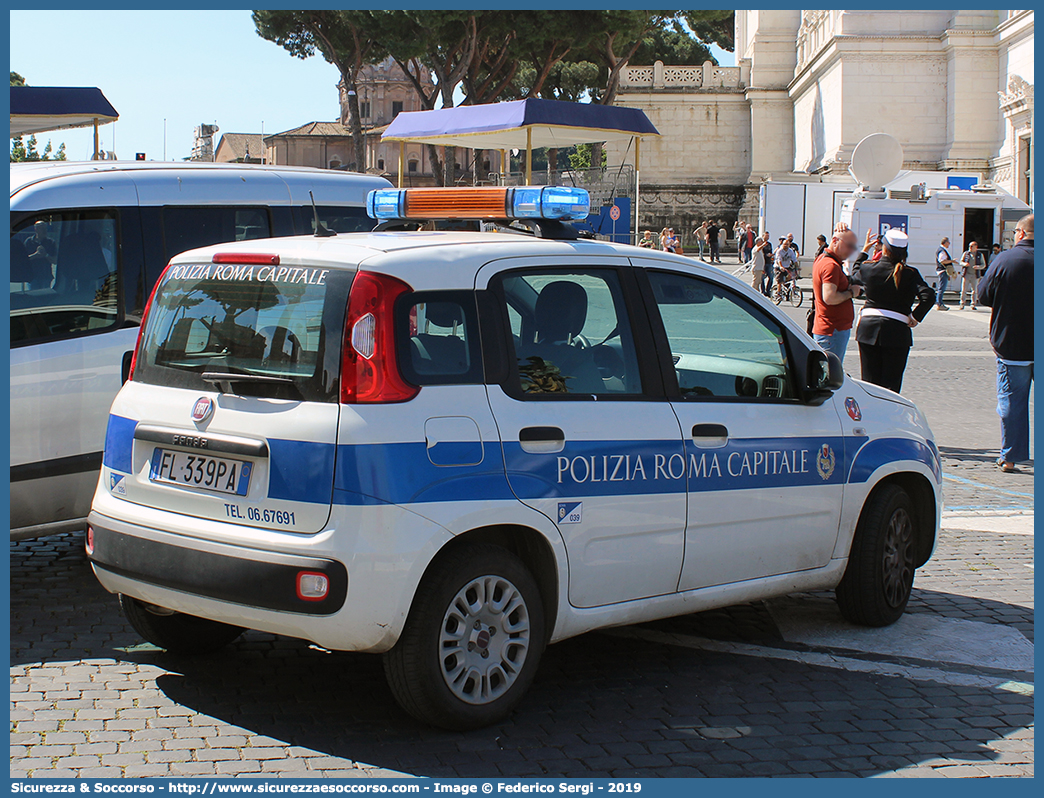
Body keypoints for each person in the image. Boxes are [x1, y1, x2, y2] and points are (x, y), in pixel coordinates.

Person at [977, 214, 1033, 473]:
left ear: (1020, 233)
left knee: (1012, 401)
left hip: (1013, 342)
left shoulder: (1005, 259)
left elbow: (984, 295)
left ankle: (1010, 456)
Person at [854, 228, 935, 393]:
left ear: (884, 249)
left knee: (869, 382)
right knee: (891, 385)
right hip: (897, 330)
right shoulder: (910, 273)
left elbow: (854, 274)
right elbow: (929, 296)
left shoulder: (868, 268)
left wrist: (864, 251)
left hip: (868, 327)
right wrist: (915, 317)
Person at [811, 225, 865, 363]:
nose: (851, 250)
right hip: (832, 330)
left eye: (854, 247)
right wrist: (851, 292)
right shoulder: (831, 265)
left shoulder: (824, 259)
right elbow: (829, 297)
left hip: (830, 329)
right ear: (835, 241)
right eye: (849, 245)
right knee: (830, 376)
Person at [958, 240, 984, 310]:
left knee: (974, 290)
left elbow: (983, 265)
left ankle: (973, 304)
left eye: (972, 246)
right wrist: (964, 264)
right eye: (970, 246)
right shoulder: (966, 253)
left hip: (975, 275)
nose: (970, 247)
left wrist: (978, 267)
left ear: (976, 247)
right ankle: (962, 303)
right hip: (966, 274)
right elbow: (960, 262)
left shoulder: (979, 255)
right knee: (964, 290)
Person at [934, 236, 954, 311]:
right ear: (945, 243)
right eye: (948, 242)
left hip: (942, 271)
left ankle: (939, 303)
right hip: (943, 271)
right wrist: (952, 261)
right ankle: (939, 304)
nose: (949, 244)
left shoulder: (941, 250)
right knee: (941, 288)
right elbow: (942, 261)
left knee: (941, 288)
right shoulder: (942, 251)